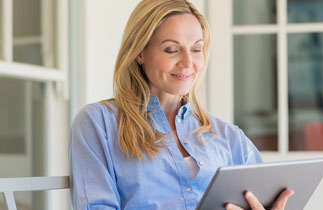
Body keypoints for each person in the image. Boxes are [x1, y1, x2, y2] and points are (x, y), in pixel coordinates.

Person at [69, 0, 294, 209]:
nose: (188, 62)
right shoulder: (98, 123)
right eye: (171, 49)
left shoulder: (228, 137)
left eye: (196, 49)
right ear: (139, 52)